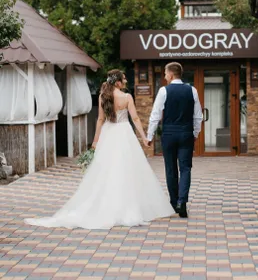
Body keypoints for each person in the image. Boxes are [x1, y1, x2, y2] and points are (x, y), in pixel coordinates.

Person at [25, 69, 174, 230]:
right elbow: (136, 118)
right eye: (123, 79)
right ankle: (126, 207)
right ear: (117, 82)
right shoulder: (126, 97)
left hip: (109, 134)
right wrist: (144, 137)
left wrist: (95, 142)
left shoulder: (104, 97)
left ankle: (109, 205)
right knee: (127, 169)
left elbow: (100, 120)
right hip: (124, 134)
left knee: (107, 170)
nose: (125, 81)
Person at [147, 62, 203, 218]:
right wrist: (195, 134)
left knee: (171, 169)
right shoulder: (192, 90)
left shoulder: (164, 91)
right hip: (186, 134)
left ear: (171, 74)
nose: (165, 76)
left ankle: (173, 203)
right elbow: (198, 115)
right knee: (185, 168)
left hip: (169, 135)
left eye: (165, 73)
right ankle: (182, 202)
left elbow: (155, 115)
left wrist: (150, 136)